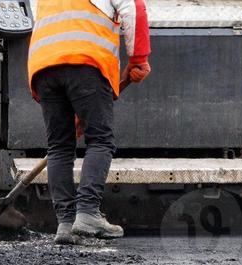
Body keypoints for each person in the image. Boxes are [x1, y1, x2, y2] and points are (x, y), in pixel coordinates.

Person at [27, 0, 150, 245]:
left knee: (59, 146)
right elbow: (134, 8)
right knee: (101, 140)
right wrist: (138, 58)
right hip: (86, 62)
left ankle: (65, 223)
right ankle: (88, 212)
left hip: (43, 67)